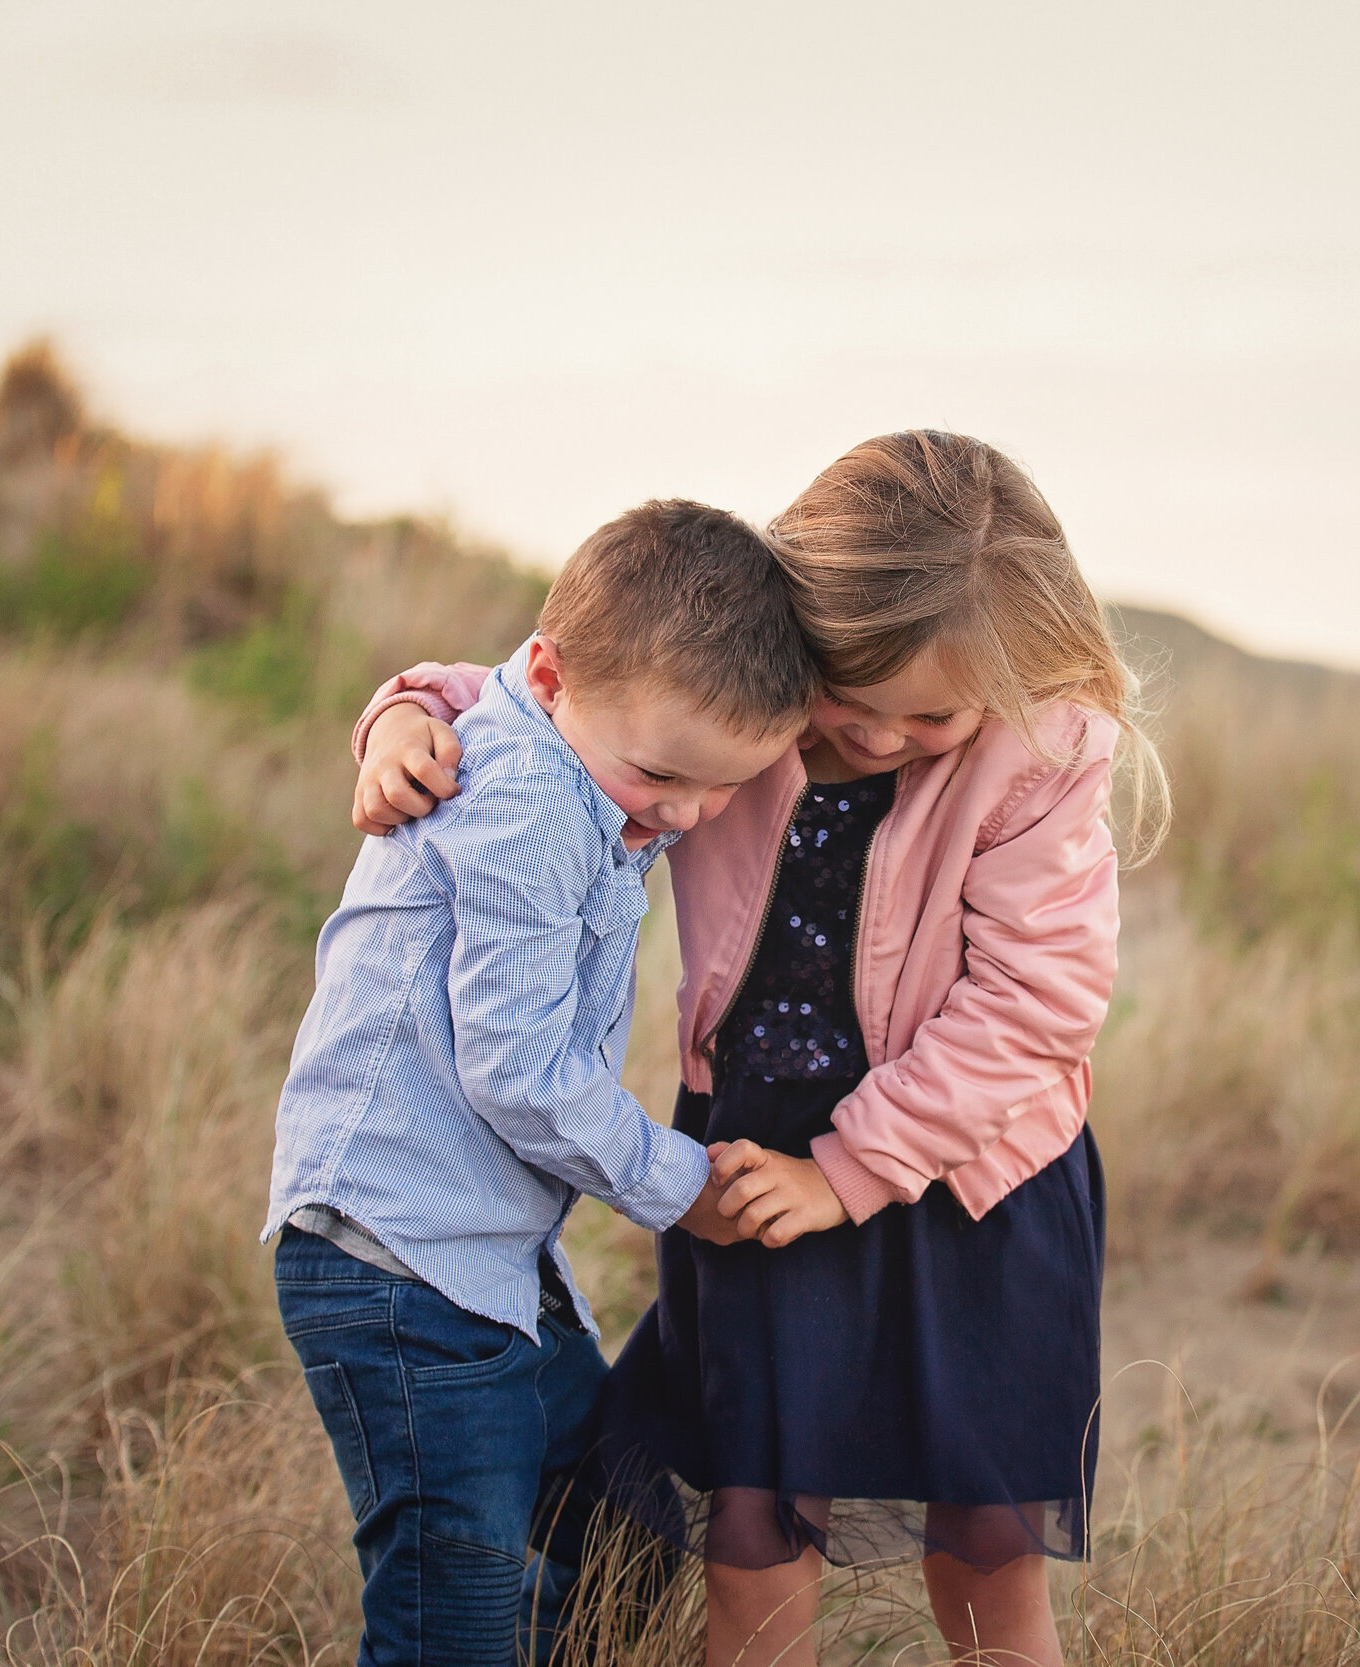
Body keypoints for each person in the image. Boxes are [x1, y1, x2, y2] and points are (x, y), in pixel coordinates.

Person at [352, 432, 1164, 1667]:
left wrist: (849, 1171)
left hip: (969, 1184)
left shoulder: (1040, 745)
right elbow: (548, 694)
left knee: (987, 1559)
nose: (888, 737)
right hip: (754, 1164)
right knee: (754, 1530)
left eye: (933, 714)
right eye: (853, 698)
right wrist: (404, 715)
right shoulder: (741, 671)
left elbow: (1036, 1005)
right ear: (804, 630)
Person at [264, 499, 815, 1667]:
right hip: (396, 1259)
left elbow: (493, 680)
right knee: (448, 1613)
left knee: (624, 1523)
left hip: (491, 1260)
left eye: (723, 790)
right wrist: (681, 1181)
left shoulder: (592, 730)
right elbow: (518, 1071)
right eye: (663, 777)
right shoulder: (522, 798)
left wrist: (405, 700)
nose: (682, 815)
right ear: (557, 680)